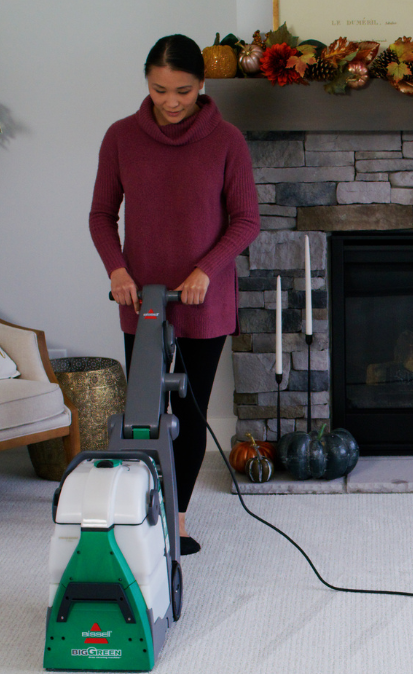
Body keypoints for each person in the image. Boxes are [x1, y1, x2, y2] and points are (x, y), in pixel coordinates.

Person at [89, 34, 260, 555]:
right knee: (143, 416)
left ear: (202, 84)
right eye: (160, 89)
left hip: (204, 304)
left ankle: (176, 520)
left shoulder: (226, 140)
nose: (171, 101)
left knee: (188, 417)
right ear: (147, 83)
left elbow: (247, 220)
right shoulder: (121, 137)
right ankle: (143, 512)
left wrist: (207, 269)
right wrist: (117, 269)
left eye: (182, 90)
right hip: (142, 303)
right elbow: (101, 215)